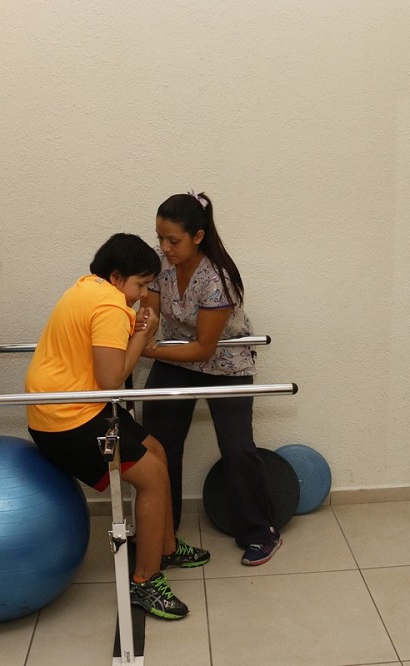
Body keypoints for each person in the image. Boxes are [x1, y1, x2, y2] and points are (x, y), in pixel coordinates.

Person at [25, 233, 209, 621]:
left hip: (75, 406)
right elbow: (111, 381)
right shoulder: (109, 303)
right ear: (116, 276)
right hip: (68, 420)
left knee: (156, 450)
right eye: (140, 285)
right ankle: (145, 581)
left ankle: (166, 549)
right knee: (152, 477)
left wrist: (135, 327)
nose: (142, 296)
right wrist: (143, 333)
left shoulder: (86, 288)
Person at [141, 191, 281, 566]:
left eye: (174, 240)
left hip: (224, 363)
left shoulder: (217, 279)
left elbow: (204, 348)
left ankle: (260, 531)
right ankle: (163, 536)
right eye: (160, 238)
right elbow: (149, 313)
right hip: (173, 356)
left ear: (198, 236)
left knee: (237, 448)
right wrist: (142, 333)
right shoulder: (160, 263)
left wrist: (148, 350)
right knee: (157, 447)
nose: (165, 247)